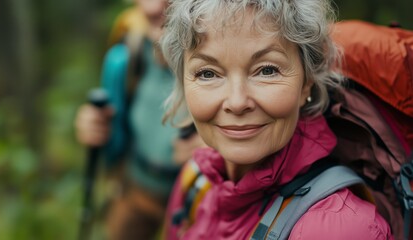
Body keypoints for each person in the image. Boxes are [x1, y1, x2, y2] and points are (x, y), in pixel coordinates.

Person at [159, 0, 393, 239]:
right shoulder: (196, 178)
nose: (237, 102)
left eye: (267, 70)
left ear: (306, 82)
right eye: (207, 73)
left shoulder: (340, 229)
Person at [74, 0, 204, 239]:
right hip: (134, 190)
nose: (152, 8)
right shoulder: (129, 50)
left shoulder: (220, 53)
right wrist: (95, 126)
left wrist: (216, 151)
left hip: (195, 201)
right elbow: (115, 123)